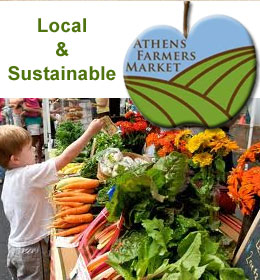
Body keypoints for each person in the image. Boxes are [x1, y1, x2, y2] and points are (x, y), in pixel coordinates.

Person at [0, 119, 103, 280]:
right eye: (29, 148)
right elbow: (65, 158)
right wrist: (90, 132)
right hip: (32, 249)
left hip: (15, 247)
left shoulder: (11, 176)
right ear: (15, 159)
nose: (34, 148)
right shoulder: (27, 175)